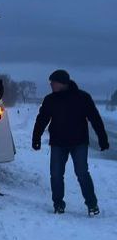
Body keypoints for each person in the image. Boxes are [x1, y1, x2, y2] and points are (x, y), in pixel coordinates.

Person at [32, 70, 109, 215]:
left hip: (79, 142)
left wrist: (102, 139)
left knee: (82, 173)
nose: (51, 85)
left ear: (63, 83)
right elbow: (42, 119)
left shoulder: (82, 97)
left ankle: (92, 205)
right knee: (55, 175)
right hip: (58, 143)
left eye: (53, 82)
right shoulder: (50, 100)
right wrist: (36, 138)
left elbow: (95, 118)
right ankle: (58, 205)